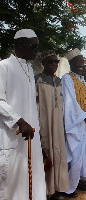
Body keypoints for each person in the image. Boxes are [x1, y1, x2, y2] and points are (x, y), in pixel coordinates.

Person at [0, 29, 47, 199]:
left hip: (30, 136)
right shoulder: (4, 66)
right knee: (10, 181)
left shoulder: (29, 70)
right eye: (34, 47)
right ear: (21, 44)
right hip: (11, 134)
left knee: (32, 177)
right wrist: (19, 121)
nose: (36, 51)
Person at [61, 48, 86, 198]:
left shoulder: (82, 80)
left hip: (83, 122)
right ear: (71, 63)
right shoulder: (67, 78)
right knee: (72, 155)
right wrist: (85, 117)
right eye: (78, 62)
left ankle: (75, 183)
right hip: (74, 123)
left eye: (82, 62)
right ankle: (66, 187)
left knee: (81, 155)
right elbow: (70, 103)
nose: (81, 65)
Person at [35, 50, 70, 199]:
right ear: (43, 63)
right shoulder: (37, 80)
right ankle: (46, 189)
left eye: (56, 62)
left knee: (59, 152)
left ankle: (58, 187)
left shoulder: (59, 81)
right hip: (44, 123)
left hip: (58, 124)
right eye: (50, 61)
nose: (54, 64)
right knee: (47, 151)